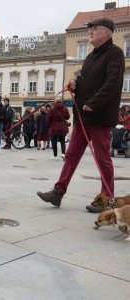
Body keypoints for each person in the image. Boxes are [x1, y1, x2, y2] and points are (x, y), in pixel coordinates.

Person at [37, 18, 125, 212]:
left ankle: (108, 199)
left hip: (99, 116)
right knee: (71, 155)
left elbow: (112, 83)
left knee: (103, 159)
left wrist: (94, 103)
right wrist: (76, 85)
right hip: (82, 116)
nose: (90, 32)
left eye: (95, 29)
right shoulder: (91, 56)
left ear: (107, 32)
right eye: (90, 29)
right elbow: (86, 82)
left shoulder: (115, 54)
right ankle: (58, 192)